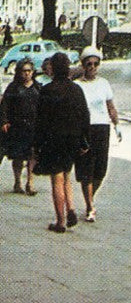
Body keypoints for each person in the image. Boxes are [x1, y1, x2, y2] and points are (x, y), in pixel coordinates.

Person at [33, 52, 90, 233]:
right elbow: (84, 117)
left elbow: (40, 120)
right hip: (72, 138)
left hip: (53, 139)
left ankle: (60, 221)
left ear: (53, 69)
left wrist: (37, 145)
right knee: (67, 174)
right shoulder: (76, 89)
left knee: (56, 178)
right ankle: (71, 208)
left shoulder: (47, 90)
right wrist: (84, 141)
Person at [75, 45, 121, 222]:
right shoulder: (77, 85)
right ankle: (89, 206)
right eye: (89, 64)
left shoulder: (104, 84)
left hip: (102, 128)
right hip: (85, 129)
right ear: (83, 65)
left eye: (95, 64)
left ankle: (90, 197)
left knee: (101, 169)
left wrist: (117, 125)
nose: (92, 67)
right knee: (86, 168)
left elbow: (110, 106)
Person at [0, 57, 41, 195]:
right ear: (19, 72)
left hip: (34, 126)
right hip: (17, 126)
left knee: (32, 154)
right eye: (24, 71)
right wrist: (4, 121)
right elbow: (5, 105)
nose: (27, 74)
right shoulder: (13, 88)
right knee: (18, 156)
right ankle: (18, 181)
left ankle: (30, 182)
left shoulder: (37, 87)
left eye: (29, 71)